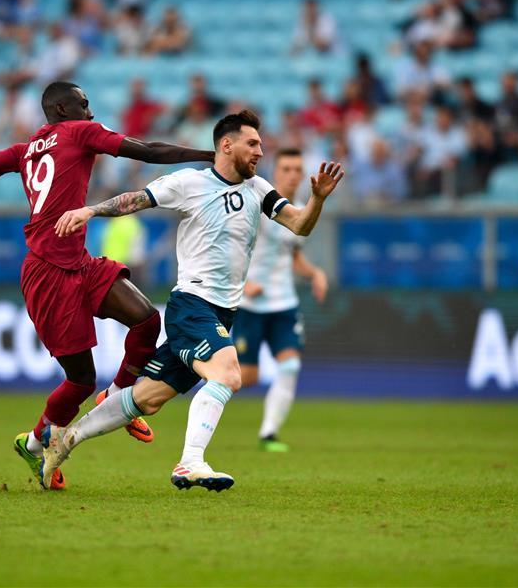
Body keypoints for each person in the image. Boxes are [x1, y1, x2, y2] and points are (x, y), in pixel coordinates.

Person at [0, 82, 215, 491]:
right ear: (62, 108)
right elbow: (149, 151)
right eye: (84, 103)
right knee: (80, 379)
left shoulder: (25, 149)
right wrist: (212, 157)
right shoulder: (81, 132)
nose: (91, 109)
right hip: (49, 271)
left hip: (80, 262)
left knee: (144, 321)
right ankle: (33, 444)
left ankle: (119, 397)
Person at [41, 110, 344, 491]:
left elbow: (300, 225)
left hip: (222, 312)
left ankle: (64, 441)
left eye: (262, 146)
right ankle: (190, 463)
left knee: (147, 399)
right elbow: (137, 200)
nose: (259, 152)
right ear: (226, 145)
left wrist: (316, 200)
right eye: (252, 144)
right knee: (228, 373)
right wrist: (91, 210)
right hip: (192, 304)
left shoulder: (259, 190)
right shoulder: (189, 183)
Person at [232, 148, 329, 452]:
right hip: (250, 306)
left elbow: (294, 256)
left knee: (289, 367)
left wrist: (314, 274)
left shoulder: (298, 211)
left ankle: (268, 434)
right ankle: (201, 392)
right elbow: (230, 247)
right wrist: (243, 283)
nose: (292, 174)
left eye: (297, 169)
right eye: (286, 168)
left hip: (283, 303)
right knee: (245, 378)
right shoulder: (257, 203)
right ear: (276, 171)